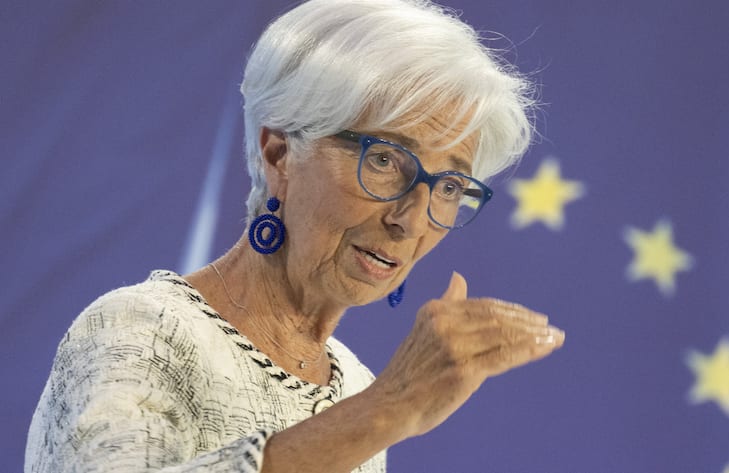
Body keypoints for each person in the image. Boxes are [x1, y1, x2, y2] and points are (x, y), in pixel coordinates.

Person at [25, 0, 565, 471]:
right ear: (280, 154)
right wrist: (390, 408)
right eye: (384, 159)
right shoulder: (142, 330)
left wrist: (378, 407)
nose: (413, 218)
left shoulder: (354, 383)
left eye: (448, 186)